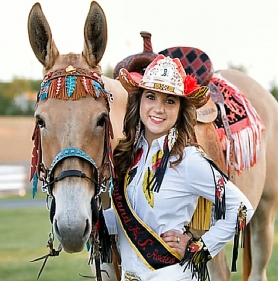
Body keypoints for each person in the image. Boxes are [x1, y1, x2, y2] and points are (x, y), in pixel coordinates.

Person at [103, 54, 254, 281]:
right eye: (151, 97)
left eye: (170, 100)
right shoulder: (128, 157)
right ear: (140, 101)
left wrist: (199, 250)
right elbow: (120, 227)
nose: (158, 108)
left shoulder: (188, 159)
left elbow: (242, 208)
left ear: (180, 108)